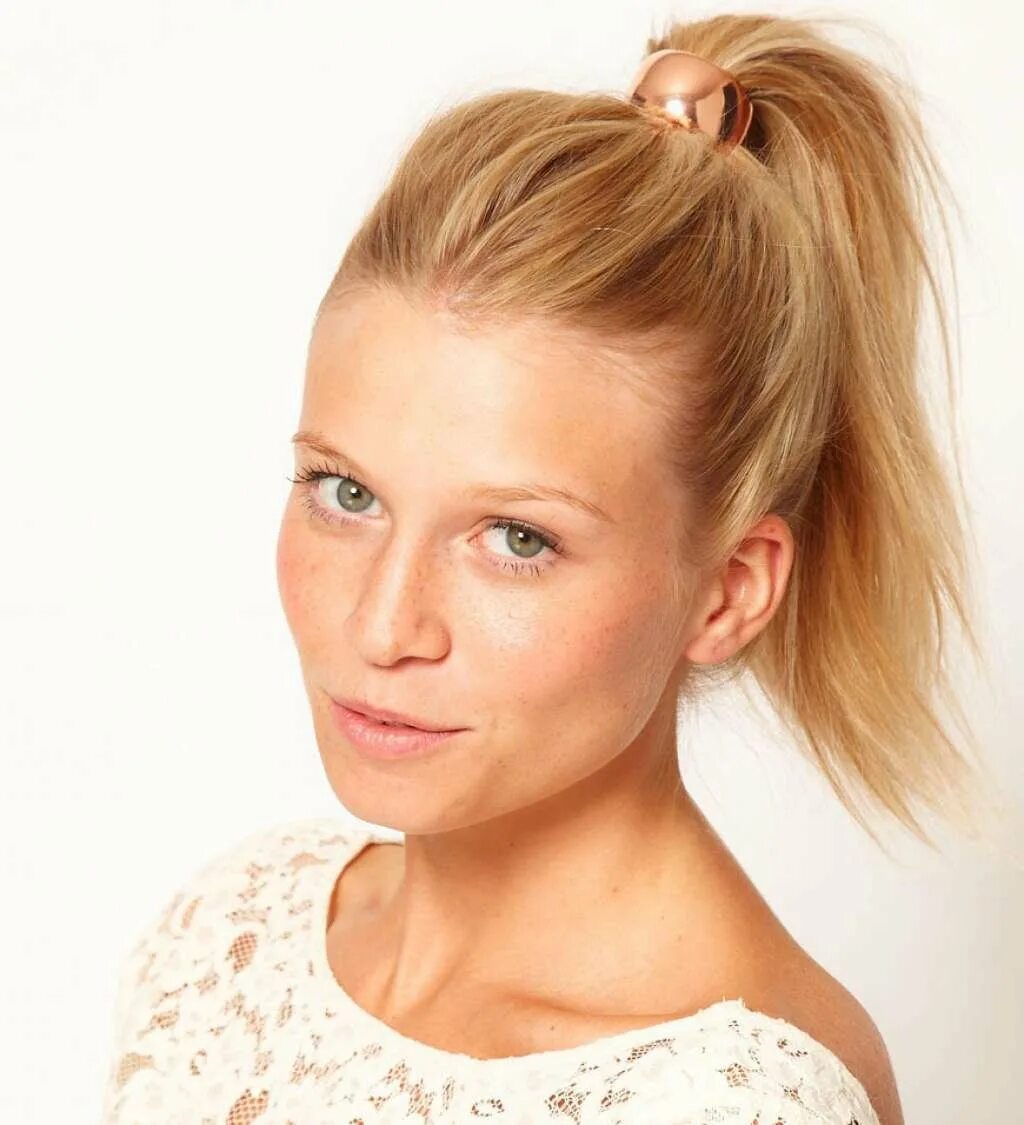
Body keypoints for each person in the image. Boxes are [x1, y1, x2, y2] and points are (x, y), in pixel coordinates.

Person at [99, 12, 1004, 1124]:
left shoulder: (733, 1102)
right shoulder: (229, 936)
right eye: (347, 493)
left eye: (516, 539)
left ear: (727, 591)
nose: (383, 626)